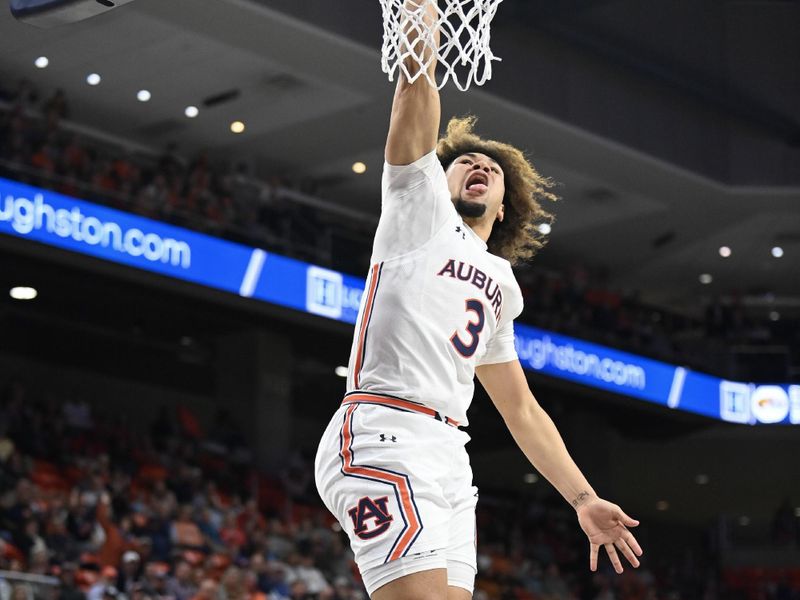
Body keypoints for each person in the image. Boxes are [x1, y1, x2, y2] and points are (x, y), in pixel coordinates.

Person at [314, 2, 644, 598]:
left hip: (450, 457)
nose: (477, 164)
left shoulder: (502, 285)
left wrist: (584, 497)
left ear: (504, 205)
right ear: (436, 180)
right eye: (464, 159)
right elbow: (414, 94)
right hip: (383, 429)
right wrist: (420, 17)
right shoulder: (419, 212)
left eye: (490, 167)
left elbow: (521, 410)